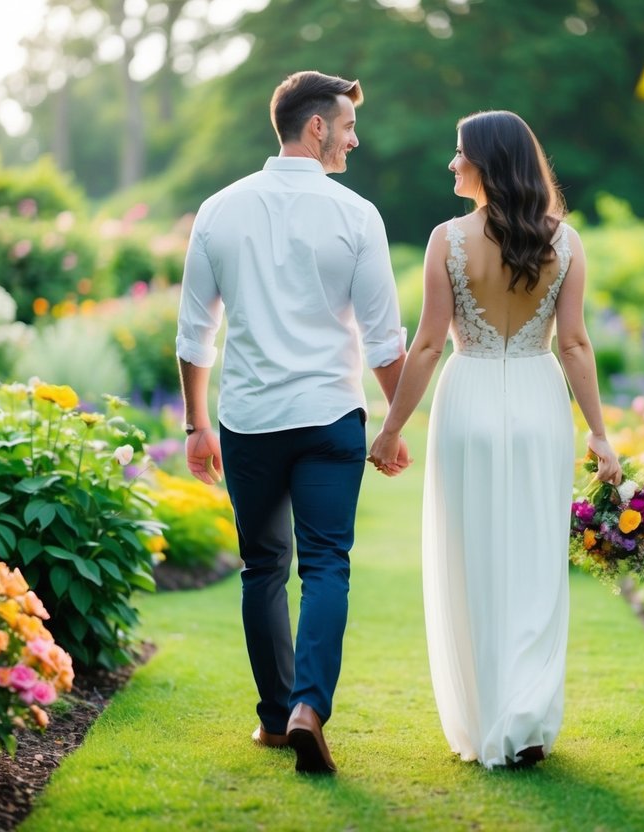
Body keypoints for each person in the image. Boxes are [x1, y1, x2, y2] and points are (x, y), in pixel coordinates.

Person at [368, 110, 621, 769]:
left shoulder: (446, 240)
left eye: (460, 155)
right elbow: (573, 343)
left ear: (486, 162)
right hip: (539, 403)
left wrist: (390, 427)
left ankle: (488, 719)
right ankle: (527, 718)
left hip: (469, 397)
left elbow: (425, 345)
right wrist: (598, 434)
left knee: (471, 557)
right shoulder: (564, 243)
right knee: (535, 562)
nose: (451, 165)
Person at [176, 70, 410, 775]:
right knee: (326, 565)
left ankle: (276, 719)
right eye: (346, 125)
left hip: (248, 419)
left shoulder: (217, 210)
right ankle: (310, 705)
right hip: (329, 416)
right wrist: (395, 424)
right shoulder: (356, 214)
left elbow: (194, 334)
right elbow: (383, 340)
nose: (353, 138)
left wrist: (195, 426)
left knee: (262, 569)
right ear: (317, 127)